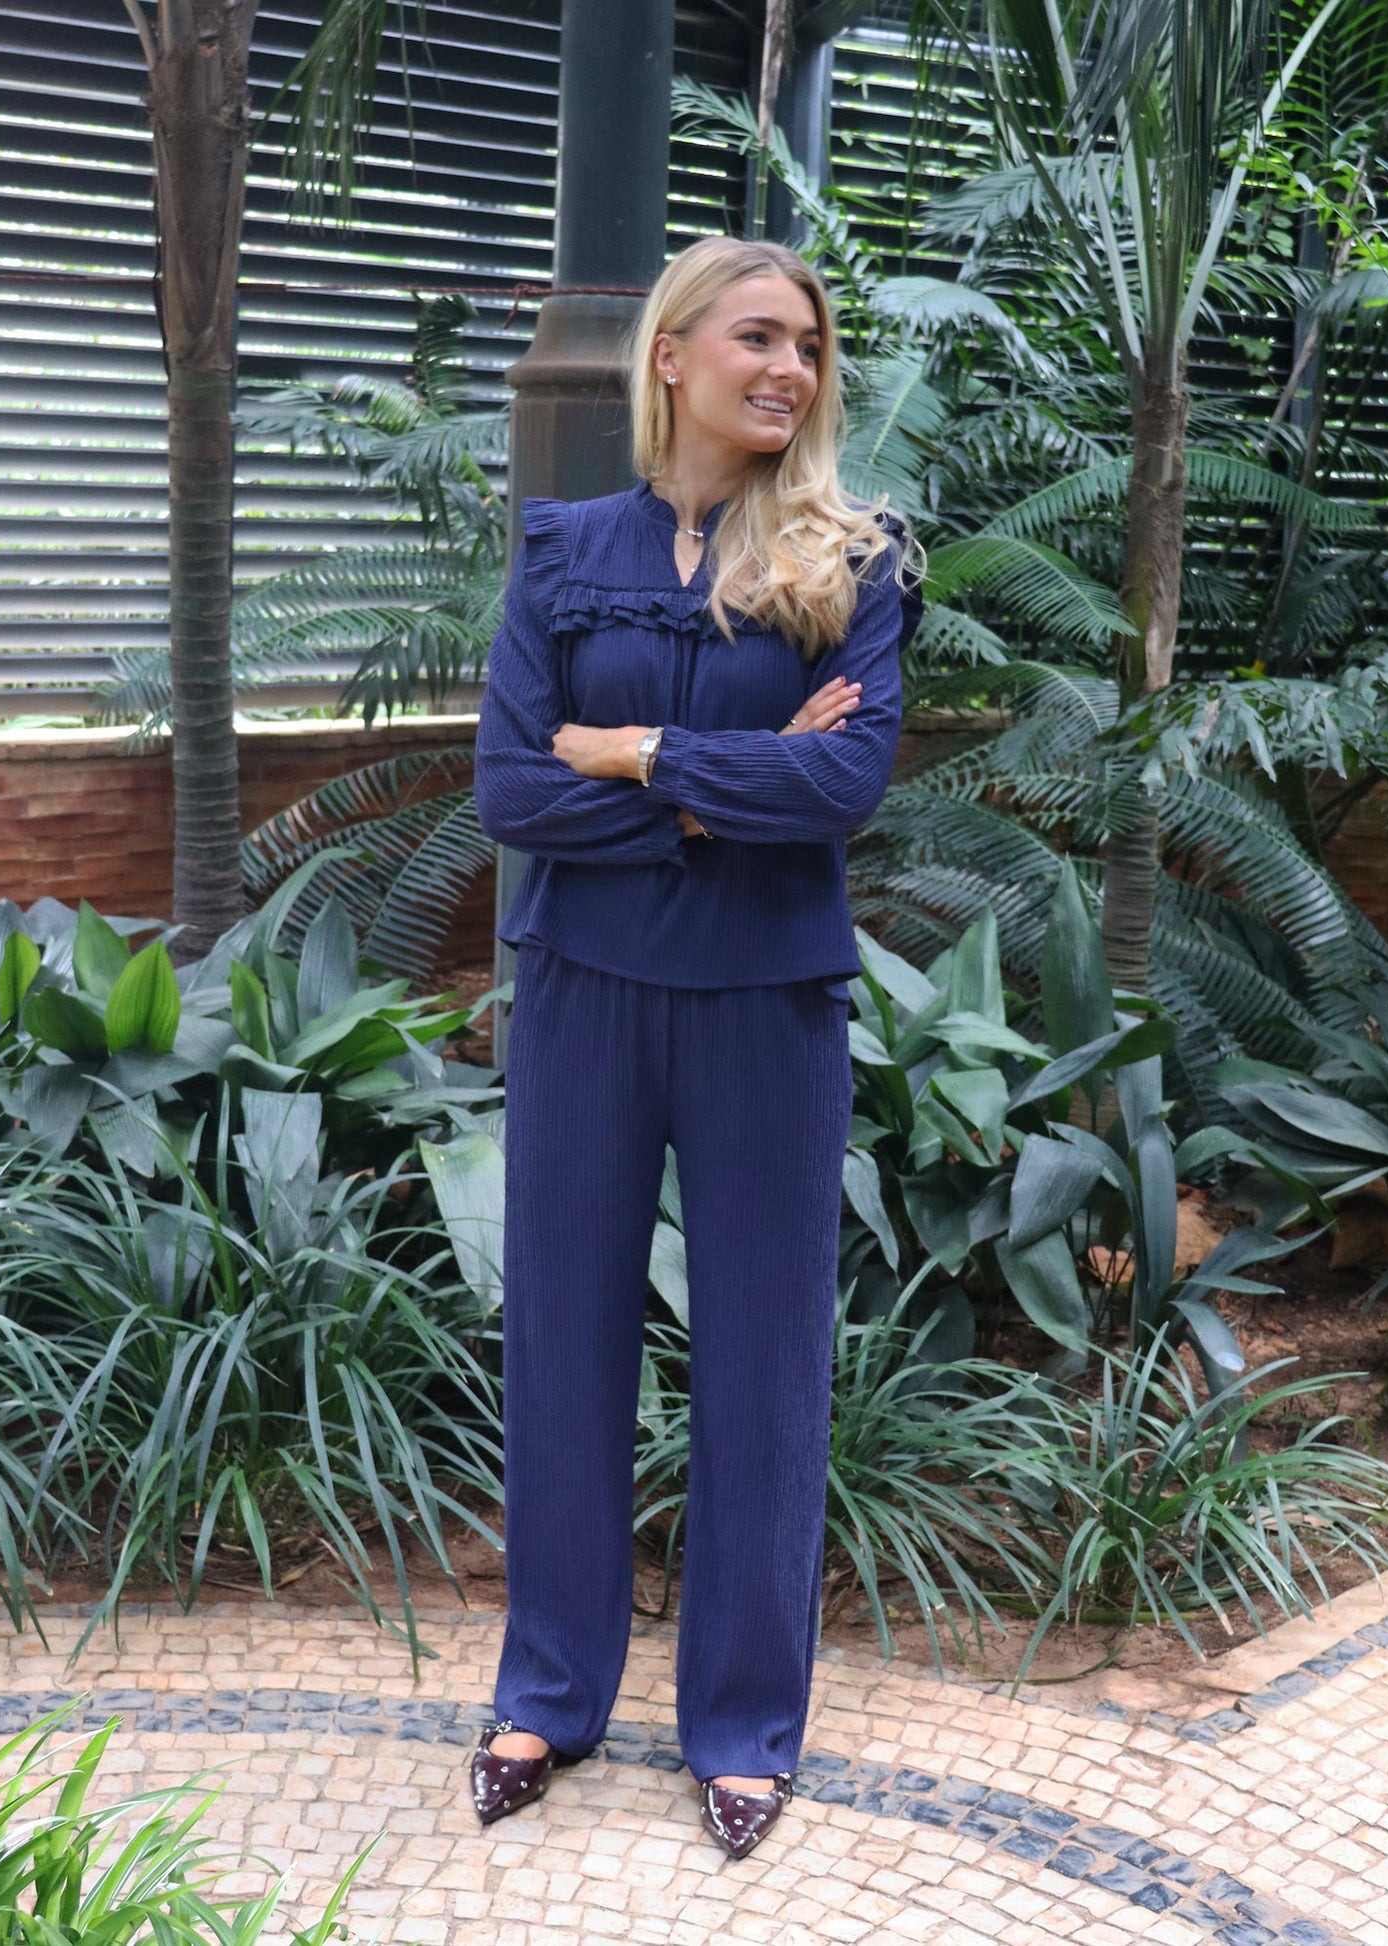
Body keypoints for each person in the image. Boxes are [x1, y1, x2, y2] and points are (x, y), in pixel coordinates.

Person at [465, 234, 924, 1860]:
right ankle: (549, 1690)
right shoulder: (561, 549)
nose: (789, 367)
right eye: (757, 336)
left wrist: (641, 750)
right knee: (563, 1344)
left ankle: (741, 1722)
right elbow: (509, 790)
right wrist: (726, 787)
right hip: (581, 992)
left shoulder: (853, 558)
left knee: (761, 1362)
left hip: (766, 1004)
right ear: (670, 354)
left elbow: (840, 786)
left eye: (808, 345)